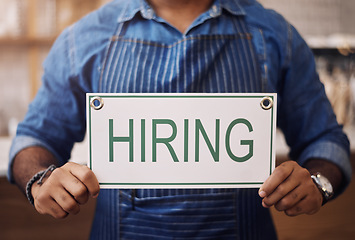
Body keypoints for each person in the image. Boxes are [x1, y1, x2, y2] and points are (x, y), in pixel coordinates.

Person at [8, 0, 351, 239]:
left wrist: (319, 184)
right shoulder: (82, 40)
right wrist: (41, 180)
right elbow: (33, 140)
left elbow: (326, 140)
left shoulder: (276, 36)